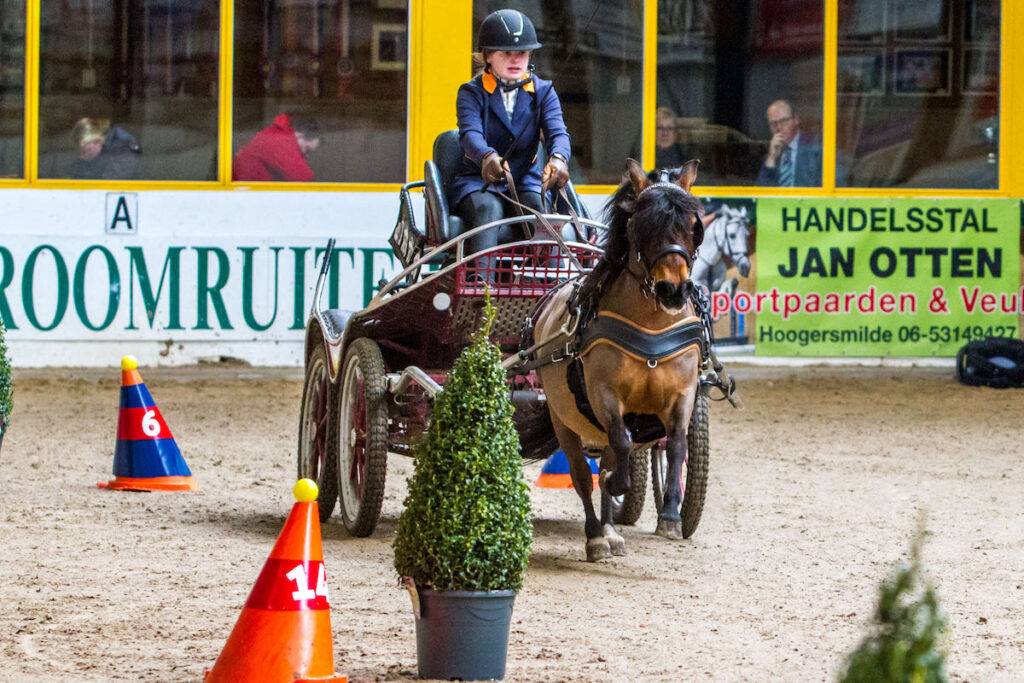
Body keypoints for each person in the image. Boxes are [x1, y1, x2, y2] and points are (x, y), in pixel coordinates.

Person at [449, 8, 572, 267]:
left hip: (525, 179)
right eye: (506, 53)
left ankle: (553, 284)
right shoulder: (471, 92)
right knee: (489, 209)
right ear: (488, 56)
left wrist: (559, 158)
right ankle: (482, 285)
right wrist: (486, 156)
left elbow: (557, 132)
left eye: (522, 53)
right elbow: (470, 133)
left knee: (539, 211)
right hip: (478, 181)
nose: (516, 59)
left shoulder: (544, 91)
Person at [233, 113, 320, 182]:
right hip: (241, 191)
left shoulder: (276, 133)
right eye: (306, 149)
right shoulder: (279, 140)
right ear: (300, 136)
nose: (305, 155)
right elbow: (304, 179)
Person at [755, 99, 822, 187]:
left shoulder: (814, 148)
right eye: (773, 124)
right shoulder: (771, 153)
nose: (779, 127)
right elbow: (761, 191)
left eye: (784, 121)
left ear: (796, 120)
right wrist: (771, 158)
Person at [68, 118, 141, 180]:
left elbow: (107, 186)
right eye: (79, 152)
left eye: (84, 152)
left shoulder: (122, 152)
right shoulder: (99, 154)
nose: (82, 156)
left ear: (97, 142)